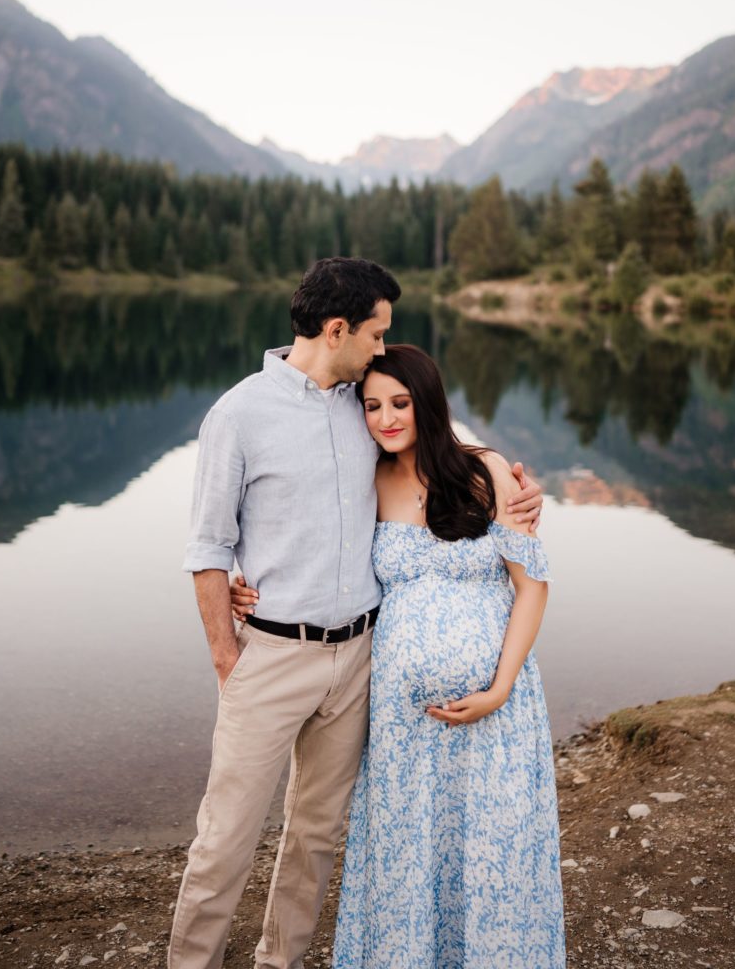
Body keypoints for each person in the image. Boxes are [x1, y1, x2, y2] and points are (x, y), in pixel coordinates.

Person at [169, 258, 543, 969]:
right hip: (272, 655)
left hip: (361, 659)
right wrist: (226, 657)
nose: (382, 347)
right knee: (225, 838)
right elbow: (208, 548)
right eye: (376, 333)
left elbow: (438, 450)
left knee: (315, 835)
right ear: (337, 330)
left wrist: (515, 486)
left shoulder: (362, 404)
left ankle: (279, 961)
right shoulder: (238, 415)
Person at [236, 344, 565, 967]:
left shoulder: (485, 470)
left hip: (498, 711)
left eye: (400, 403)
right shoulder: (367, 479)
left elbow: (532, 587)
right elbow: (306, 548)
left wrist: (499, 689)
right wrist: (243, 580)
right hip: (401, 718)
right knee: (408, 849)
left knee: (494, 845)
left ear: (428, 403)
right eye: (371, 406)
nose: (385, 419)